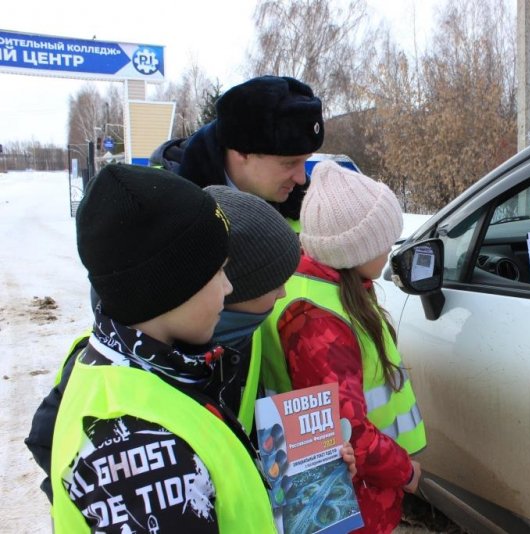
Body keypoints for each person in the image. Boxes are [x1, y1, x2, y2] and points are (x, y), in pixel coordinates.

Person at [26, 185, 357, 504]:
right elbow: (48, 444)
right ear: (230, 293)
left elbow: (251, 441)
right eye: (273, 283)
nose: (283, 294)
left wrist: (317, 466)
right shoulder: (109, 364)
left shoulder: (243, 339)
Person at [49, 163, 278, 532]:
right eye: (217, 271)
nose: (228, 287)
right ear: (172, 287)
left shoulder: (143, 367)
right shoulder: (137, 452)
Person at [262, 160, 427, 534]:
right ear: (354, 249)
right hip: (346, 504)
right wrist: (405, 472)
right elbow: (345, 428)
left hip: (359, 492)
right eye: (382, 239)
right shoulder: (320, 323)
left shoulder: (325, 289)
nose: (389, 247)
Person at [151, 75, 324, 231]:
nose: (302, 179)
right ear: (242, 151)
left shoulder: (306, 205)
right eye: (289, 163)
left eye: (305, 161)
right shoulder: (160, 203)